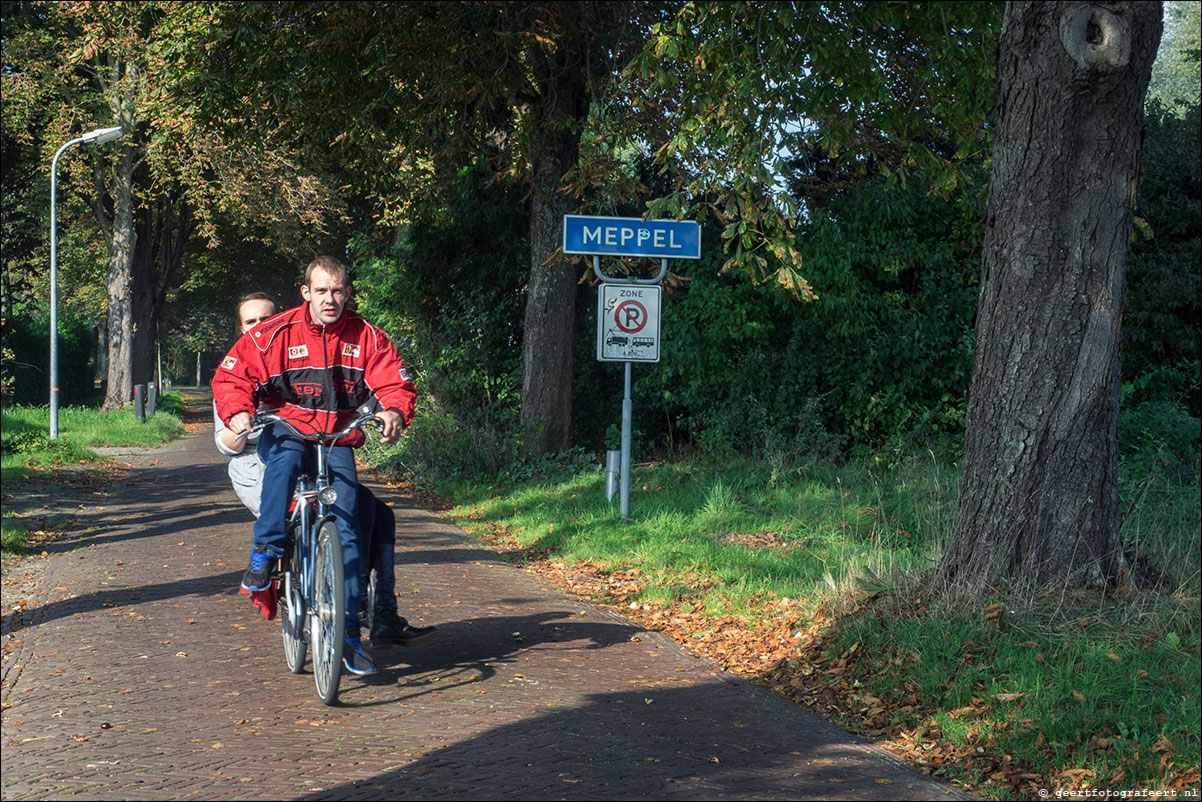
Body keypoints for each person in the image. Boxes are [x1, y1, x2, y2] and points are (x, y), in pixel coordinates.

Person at [213, 257, 418, 676]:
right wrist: (237, 412)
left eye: (338, 290)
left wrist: (395, 410)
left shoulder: (367, 337)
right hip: (288, 428)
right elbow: (231, 376)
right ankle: (264, 554)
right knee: (284, 464)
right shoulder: (274, 334)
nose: (331, 299)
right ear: (306, 292)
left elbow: (394, 381)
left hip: (337, 437)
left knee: (348, 529)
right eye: (322, 291)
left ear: (347, 293)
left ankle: (348, 640)